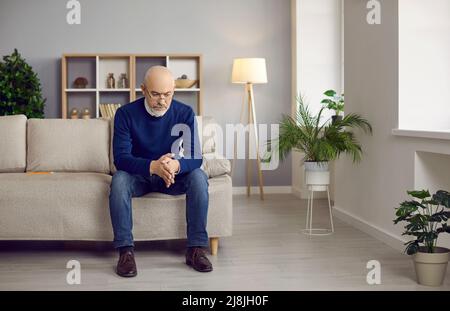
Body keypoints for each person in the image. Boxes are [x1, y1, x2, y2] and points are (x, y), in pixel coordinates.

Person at [109, 66, 212, 277]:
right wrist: (153, 166)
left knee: (199, 177)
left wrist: (176, 165)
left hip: (171, 177)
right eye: (156, 94)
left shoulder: (184, 112)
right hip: (140, 177)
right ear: (143, 90)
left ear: (174, 90)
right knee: (119, 180)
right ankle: (125, 252)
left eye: (168, 94)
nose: (162, 101)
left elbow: (195, 156)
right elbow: (121, 159)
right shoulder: (125, 114)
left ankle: (196, 249)